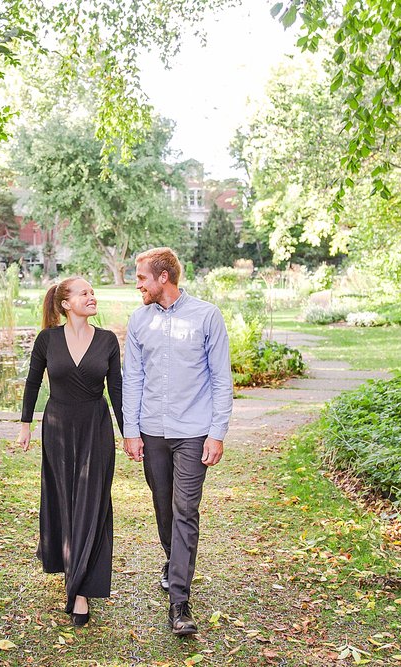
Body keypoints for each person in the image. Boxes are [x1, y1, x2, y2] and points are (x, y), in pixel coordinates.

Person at [121, 247, 233, 636]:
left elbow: (221, 377)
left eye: (141, 278)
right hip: (152, 430)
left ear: (163, 278)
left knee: (185, 508)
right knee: (163, 509)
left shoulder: (206, 316)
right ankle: (174, 562)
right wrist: (131, 431)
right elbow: (132, 378)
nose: (137, 285)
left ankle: (179, 602)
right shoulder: (139, 320)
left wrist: (217, 432)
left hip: (193, 431)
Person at [18, 277, 123, 627]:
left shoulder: (107, 341)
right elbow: (34, 382)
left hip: (95, 427)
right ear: (66, 303)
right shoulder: (47, 340)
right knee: (65, 499)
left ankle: (78, 589)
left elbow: (117, 390)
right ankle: (66, 560)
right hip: (59, 426)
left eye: (93, 293)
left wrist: (129, 434)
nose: (92, 297)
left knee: (92, 503)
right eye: (84, 293)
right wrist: (24, 425)